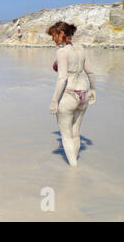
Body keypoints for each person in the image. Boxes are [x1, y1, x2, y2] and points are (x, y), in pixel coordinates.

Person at [47, 21, 96, 166]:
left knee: (66, 136)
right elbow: (91, 72)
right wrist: (93, 90)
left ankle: (73, 172)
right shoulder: (81, 49)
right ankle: (76, 166)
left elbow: (62, 78)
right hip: (83, 94)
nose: (52, 39)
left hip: (69, 95)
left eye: (54, 35)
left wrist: (54, 101)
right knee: (75, 133)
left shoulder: (62, 52)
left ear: (61, 34)